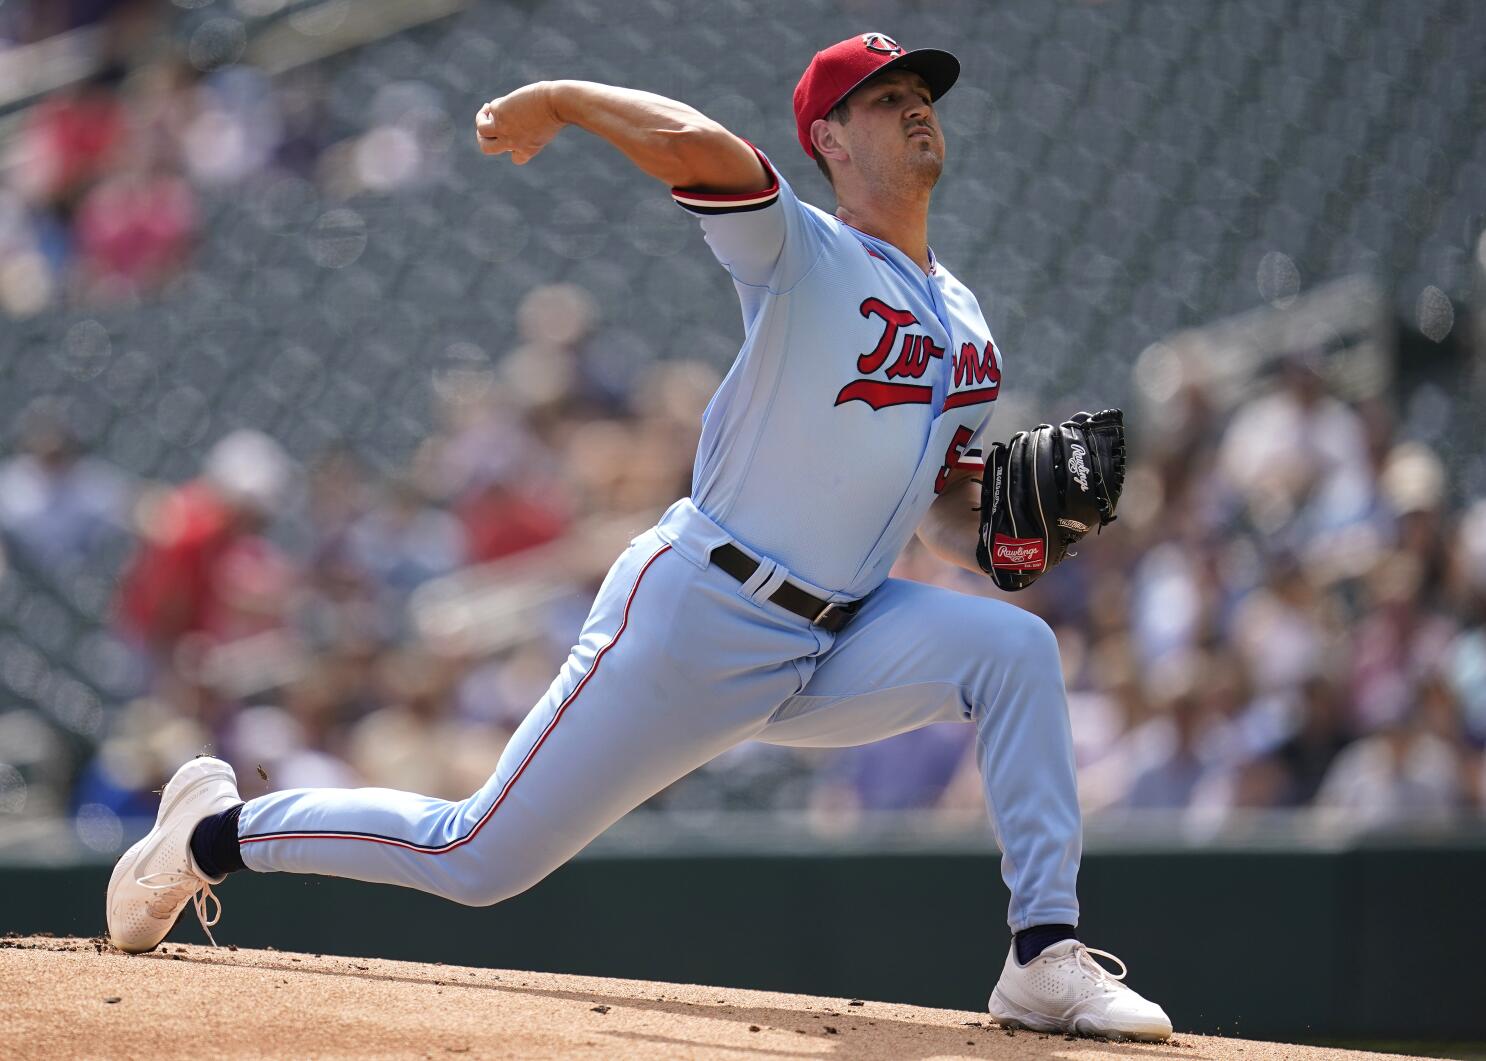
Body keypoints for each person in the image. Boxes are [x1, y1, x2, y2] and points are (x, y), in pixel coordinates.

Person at [105, 34, 1171, 1040]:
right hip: (700, 612)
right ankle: (209, 835)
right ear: (831, 142)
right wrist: (564, 100)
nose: (915, 109)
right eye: (884, 101)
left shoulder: (969, 321)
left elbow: (932, 511)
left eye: (920, 96)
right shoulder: (804, 251)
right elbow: (703, 151)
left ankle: (1043, 953)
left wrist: (997, 532)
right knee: (476, 855)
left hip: (842, 634)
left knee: (1016, 649)